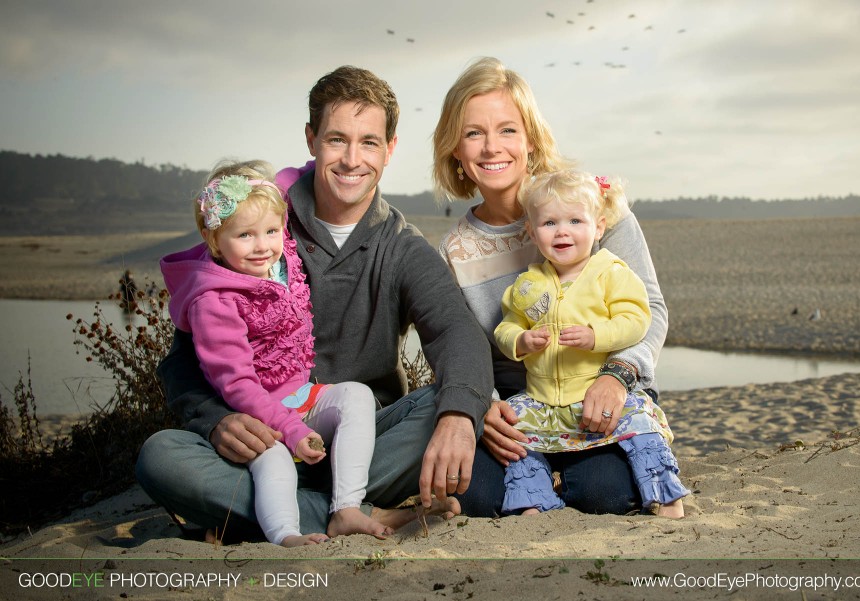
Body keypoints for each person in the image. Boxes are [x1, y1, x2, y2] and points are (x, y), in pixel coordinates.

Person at [136, 66, 493, 540]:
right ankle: (346, 512)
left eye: (368, 142)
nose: (351, 159)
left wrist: (459, 417)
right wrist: (216, 419)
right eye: (336, 139)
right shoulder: (259, 222)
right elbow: (184, 356)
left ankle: (286, 514)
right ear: (311, 139)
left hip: (365, 447)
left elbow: (455, 331)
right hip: (262, 440)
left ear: (389, 149)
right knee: (160, 456)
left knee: (452, 404)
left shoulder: (403, 248)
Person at [432, 57, 671, 516]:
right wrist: (482, 405)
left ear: (530, 139)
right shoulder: (455, 252)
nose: (490, 148)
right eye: (473, 133)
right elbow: (459, 348)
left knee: (604, 494)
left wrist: (617, 376)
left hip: (601, 393)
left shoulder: (595, 208)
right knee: (476, 495)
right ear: (455, 151)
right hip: (520, 412)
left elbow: (651, 310)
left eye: (506, 130)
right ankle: (540, 473)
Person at [159, 160, 391, 545]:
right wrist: (291, 430)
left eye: (270, 231)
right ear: (213, 239)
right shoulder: (213, 301)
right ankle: (286, 535)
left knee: (357, 396)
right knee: (273, 459)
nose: (263, 245)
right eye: (245, 235)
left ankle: (347, 508)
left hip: (301, 396)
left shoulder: (278, 251)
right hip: (257, 414)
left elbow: (292, 178)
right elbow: (237, 386)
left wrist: (335, 157)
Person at [494, 169, 688, 518]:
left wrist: (596, 336)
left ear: (599, 227)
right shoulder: (528, 283)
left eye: (575, 221)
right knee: (515, 436)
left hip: (595, 395)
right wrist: (521, 341)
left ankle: (666, 495)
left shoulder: (610, 272)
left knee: (642, 428)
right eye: (549, 223)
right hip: (544, 400)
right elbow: (506, 326)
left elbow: (637, 319)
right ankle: (533, 500)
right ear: (531, 232)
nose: (562, 231)